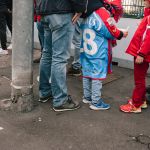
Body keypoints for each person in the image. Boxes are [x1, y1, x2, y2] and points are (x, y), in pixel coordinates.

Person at [35, 0, 91, 112]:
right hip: (62, 11)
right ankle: (60, 100)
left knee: (47, 54)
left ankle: (45, 92)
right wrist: (80, 8)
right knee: (59, 58)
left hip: (45, 11)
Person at [80, 0, 128, 110]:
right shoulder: (102, 12)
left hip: (86, 51)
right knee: (97, 76)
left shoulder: (86, 13)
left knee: (87, 73)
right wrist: (121, 33)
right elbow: (110, 31)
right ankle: (96, 102)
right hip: (98, 51)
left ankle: (87, 97)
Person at [120, 0, 150, 113]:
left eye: (146, 1)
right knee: (140, 78)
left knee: (139, 80)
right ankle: (141, 101)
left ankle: (136, 105)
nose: (144, 2)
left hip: (142, 53)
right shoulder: (148, 15)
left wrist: (141, 54)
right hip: (142, 52)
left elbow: (149, 38)